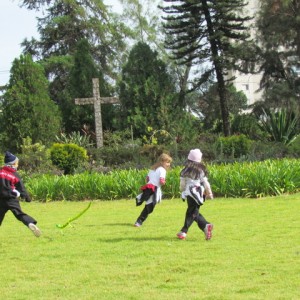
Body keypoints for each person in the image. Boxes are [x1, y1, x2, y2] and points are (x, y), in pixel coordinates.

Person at [0, 151, 41, 237]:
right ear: (13, 164)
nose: (17, 165)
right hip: (12, 199)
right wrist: (27, 198)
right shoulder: (15, 175)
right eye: (17, 164)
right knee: (20, 214)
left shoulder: (0, 171)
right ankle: (30, 223)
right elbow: (21, 188)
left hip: (1, 200)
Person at [176, 149, 214, 241]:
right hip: (199, 194)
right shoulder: (201, 171)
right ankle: (205, 227)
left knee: (191, 212)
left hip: (190, 193)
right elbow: (206, 183)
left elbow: (182, 184)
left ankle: (184, 231)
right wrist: (209, 193)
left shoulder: (185, 171)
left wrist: (182, 190)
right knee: (194, 212)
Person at [134, 153, 173, 227]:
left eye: (169, 162)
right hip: (154, 189)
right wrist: (164, 183)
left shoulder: (152, 168)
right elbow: (161, 180)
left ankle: (139, 221)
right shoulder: (162, 170)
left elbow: (147, 178)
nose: (168, 164)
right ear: (162, 161)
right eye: (167, 162)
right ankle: (139, 221)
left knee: (149, 205)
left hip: (148, 187)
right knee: (149, 206)